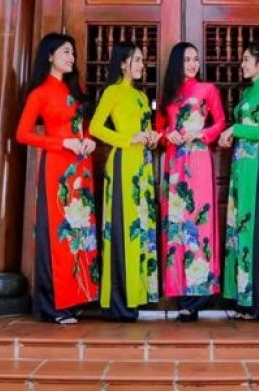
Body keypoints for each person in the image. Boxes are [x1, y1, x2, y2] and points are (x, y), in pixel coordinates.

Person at [15, 33, 99, 324]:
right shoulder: (39, 93)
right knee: (58, 236)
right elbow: (22, 134)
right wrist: (61, 143)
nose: (71, 57)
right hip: (57, 170)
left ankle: (75, 298)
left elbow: (83, 125)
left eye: (73, 53)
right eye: (65, 52)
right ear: (50, 56)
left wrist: (89, 139)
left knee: (80, 235)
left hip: (81, 168)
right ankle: (53, 306)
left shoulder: (76, 90)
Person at [90, 42, 160, 322]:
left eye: (143, 60)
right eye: (137, 60)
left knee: (139, 230)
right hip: (122, 165)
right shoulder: (113, 92)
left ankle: (135, 296)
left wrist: (151, 138)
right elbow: (95, 127)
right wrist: (127, 139)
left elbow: (144, 130)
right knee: (122, 230)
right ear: (122, 63)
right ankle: (118, 302)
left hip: (143, 166)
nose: (142, 65)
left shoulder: (142, 96)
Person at [157, 42, 226, 322]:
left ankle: (198, 295)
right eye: (187, 59)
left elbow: (220, 122)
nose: (193, 64)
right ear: (177, 62)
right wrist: (167, 135)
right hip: (174, 162)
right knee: (176, 223)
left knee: (199, 220)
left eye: (196, 59)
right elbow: (159, 128)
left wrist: (202, 134)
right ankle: (180, 293)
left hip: (198, 160)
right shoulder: (170, 94)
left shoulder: (208, 89)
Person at [218, 41, 259, 320]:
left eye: (246, 59)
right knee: (239, 227)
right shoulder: (247, 93)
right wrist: (231, 134)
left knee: (255, 229)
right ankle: (242, 299)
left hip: (257, 166)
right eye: (243, 59)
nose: (242, 64)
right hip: (240, 166)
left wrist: (236, 128)